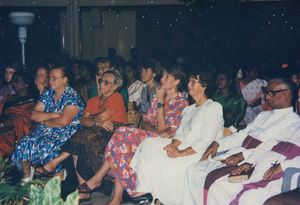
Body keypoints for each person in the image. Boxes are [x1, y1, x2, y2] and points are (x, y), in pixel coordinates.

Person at [77, 65, 189, 204]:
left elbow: (163, 129)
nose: (162, 79)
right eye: (163, 75)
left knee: (122, 133)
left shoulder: (181, 102)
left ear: (177, 82)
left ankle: (99, 181)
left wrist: (160, 102)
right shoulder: (157, 96)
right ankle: (115, 198)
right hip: (152, 136)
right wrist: (154, 131)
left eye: (167, 77)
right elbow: (145, 122)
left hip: (168, 143)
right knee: (121, 144)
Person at [182, 77, 300, 205]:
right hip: (238, 153)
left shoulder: (293, 122)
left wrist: (244, 156)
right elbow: (242, 135)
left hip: (252, 160)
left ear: (287, 93)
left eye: (271, 93)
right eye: (266, 92)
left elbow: (273, 149)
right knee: (194, 170)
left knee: (215, 183)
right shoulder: (263, 115)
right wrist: (218, 143)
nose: (267, 97)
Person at [129, 69, 224, 205]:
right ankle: (144, 193)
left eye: (194, 82)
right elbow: (179, 133)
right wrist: (173, 145)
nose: (189, 84)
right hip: (183, 148)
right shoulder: (189, 109)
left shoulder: (213, 107)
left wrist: (181, 152)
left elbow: (206, 141)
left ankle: (145, 196)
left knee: (157, 162)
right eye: (190, 81)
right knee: (149, 143)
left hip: (198, 154)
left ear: (204, 86)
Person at [36, 70, 128, 202]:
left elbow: (102, 116)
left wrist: (92, 118)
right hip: (94, 134)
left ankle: (55, 162)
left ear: (114, 86)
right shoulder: (93, 100)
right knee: (79, 140)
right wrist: (97, 122)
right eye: (101, 81)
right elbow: (82, 121)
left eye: (106, 82)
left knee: (82, 135)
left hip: (115, 136)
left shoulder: (116, 97)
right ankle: (83, 190)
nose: (101, 84)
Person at [11, 66, 85, 185]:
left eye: (54, 78)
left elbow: (63, 122)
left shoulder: (73, 97)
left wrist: (45, 121)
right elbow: (34, 115)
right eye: (50, 78)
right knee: (24, 142)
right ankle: (27, 175)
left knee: (49, 145)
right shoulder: (48, 93)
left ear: (65, 79)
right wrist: (53, 114)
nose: (50, 81)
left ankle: (58, 173)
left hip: (65, 131)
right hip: (45, 130)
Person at [207, 127, 300, 205]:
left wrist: (284, 165)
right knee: (218, 187)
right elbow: (269, 143)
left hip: (283, 174)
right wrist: (250, 162)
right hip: (261, 167)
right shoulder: (293, 126)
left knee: (249, 198)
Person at [0, 71, 38, 157]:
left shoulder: (33, 101)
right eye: (12, 81)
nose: (13, 83)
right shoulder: (8, 99)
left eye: (16, 81)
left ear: (26, 83)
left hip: (15, 133)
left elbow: (27, 120)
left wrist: (9, 123)